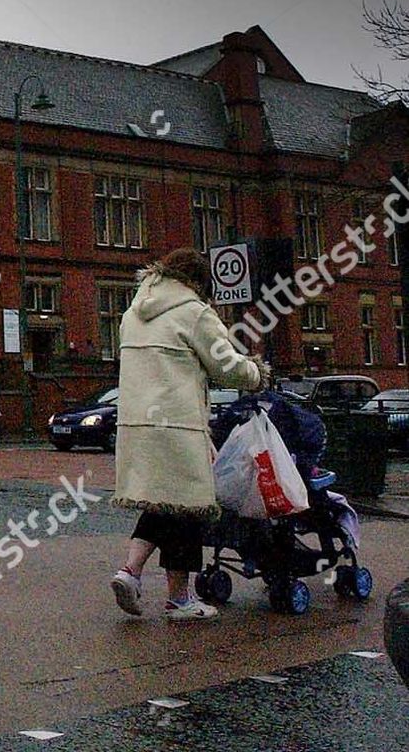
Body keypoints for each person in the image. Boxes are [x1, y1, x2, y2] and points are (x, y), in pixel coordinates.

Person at [109, 248, 266, 621]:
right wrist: (258, 374)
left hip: (138, 424)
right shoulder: (194, 312)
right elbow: (227, 368)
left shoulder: (133, 313)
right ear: (197, 282)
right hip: (177, 425)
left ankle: (129, 572)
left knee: (162, 502)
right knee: (188, 508)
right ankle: (179, 599)